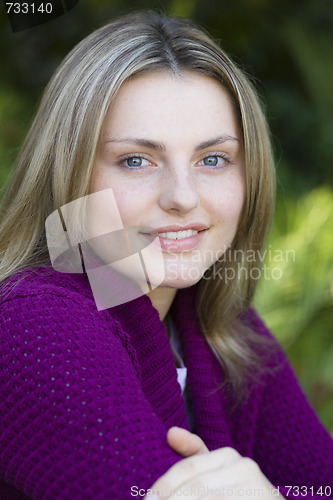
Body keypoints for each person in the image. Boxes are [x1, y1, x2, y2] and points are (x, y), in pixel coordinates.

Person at [0, 10, 332, 500]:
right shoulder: (31, 322)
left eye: (212, 160)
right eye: (136, 160)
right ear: (68, 175)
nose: (182, 197)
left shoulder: (216, 321)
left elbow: (318, 485)